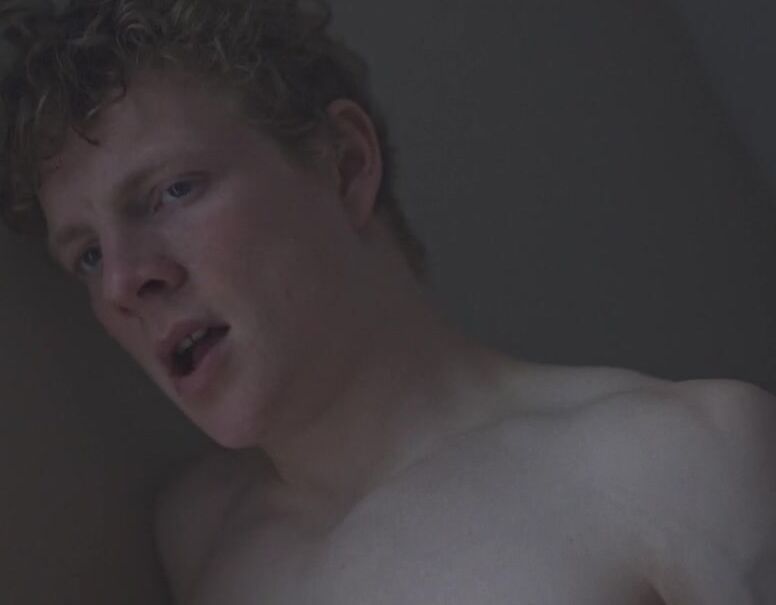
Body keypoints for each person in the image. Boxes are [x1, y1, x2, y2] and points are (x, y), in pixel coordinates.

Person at [1, 0, 773, 603]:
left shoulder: (678, 461)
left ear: (344, 163)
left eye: (172, 191)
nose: (122, 281)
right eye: (87, 253)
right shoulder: (198, 535)